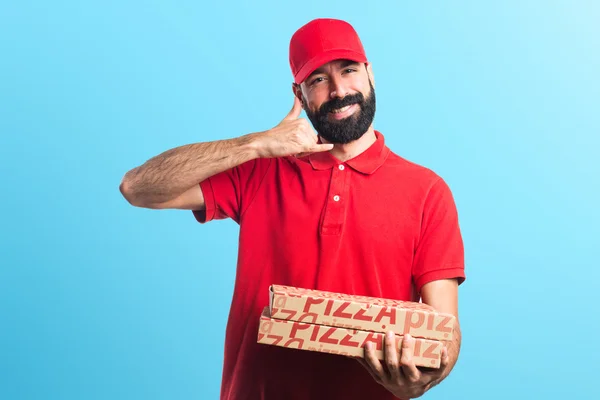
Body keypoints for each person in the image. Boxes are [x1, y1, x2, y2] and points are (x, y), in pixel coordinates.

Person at [120, 18, 466, 400]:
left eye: (348, 71)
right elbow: (137, 188)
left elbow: (445, 330)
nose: (338, 91)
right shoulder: (261, 169)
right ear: (298, 95)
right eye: (317, 79)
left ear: (370, 74)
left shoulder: (427, 191)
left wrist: (419, 381)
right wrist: (255, 144)